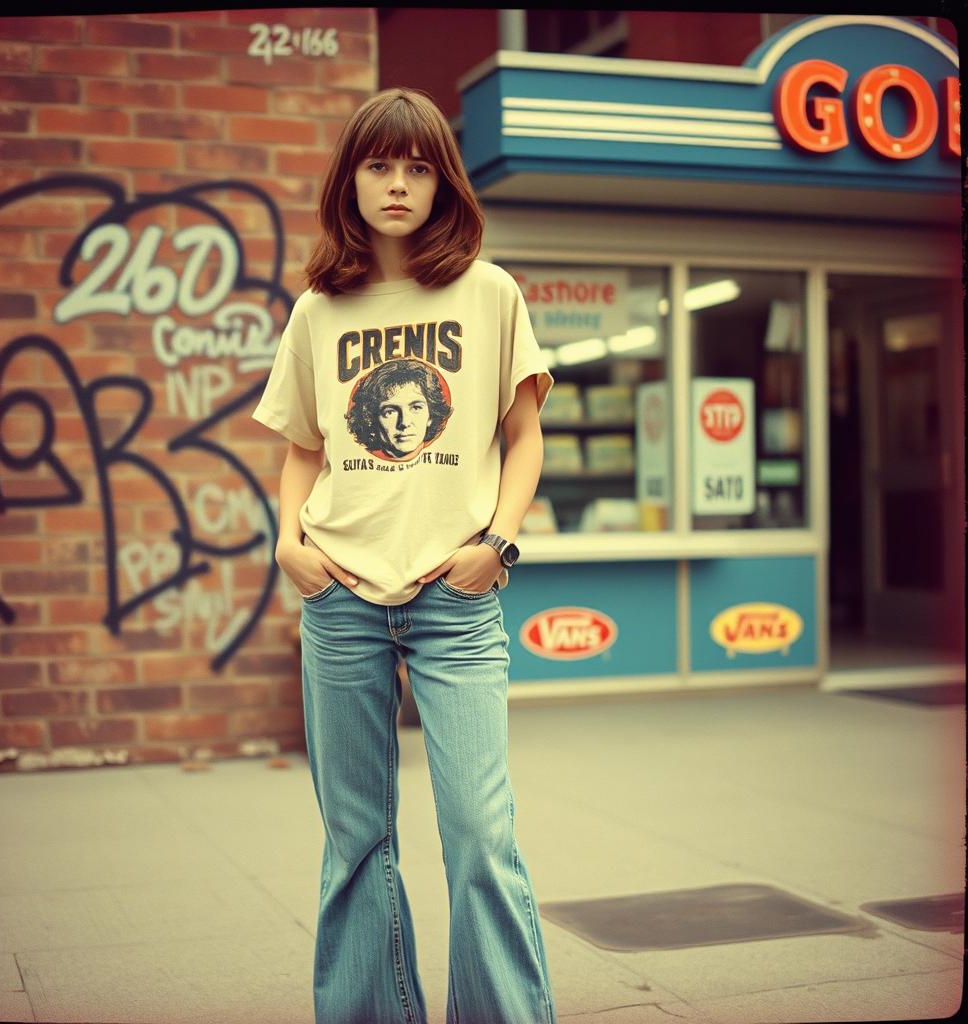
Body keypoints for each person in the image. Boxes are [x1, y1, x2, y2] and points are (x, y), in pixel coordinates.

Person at [252, 86, 557, 1024]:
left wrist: (497, 545)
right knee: (355, 838)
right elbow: (303, 444)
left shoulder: (487, 291)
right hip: (339, 597)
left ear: (442, 182)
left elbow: (524, 429)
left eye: (417, 167)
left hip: (454, 599)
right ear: (350, 180)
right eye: (379, 166)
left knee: (478, 831)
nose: (397, 185)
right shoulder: (319, 308)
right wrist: (285, 540)